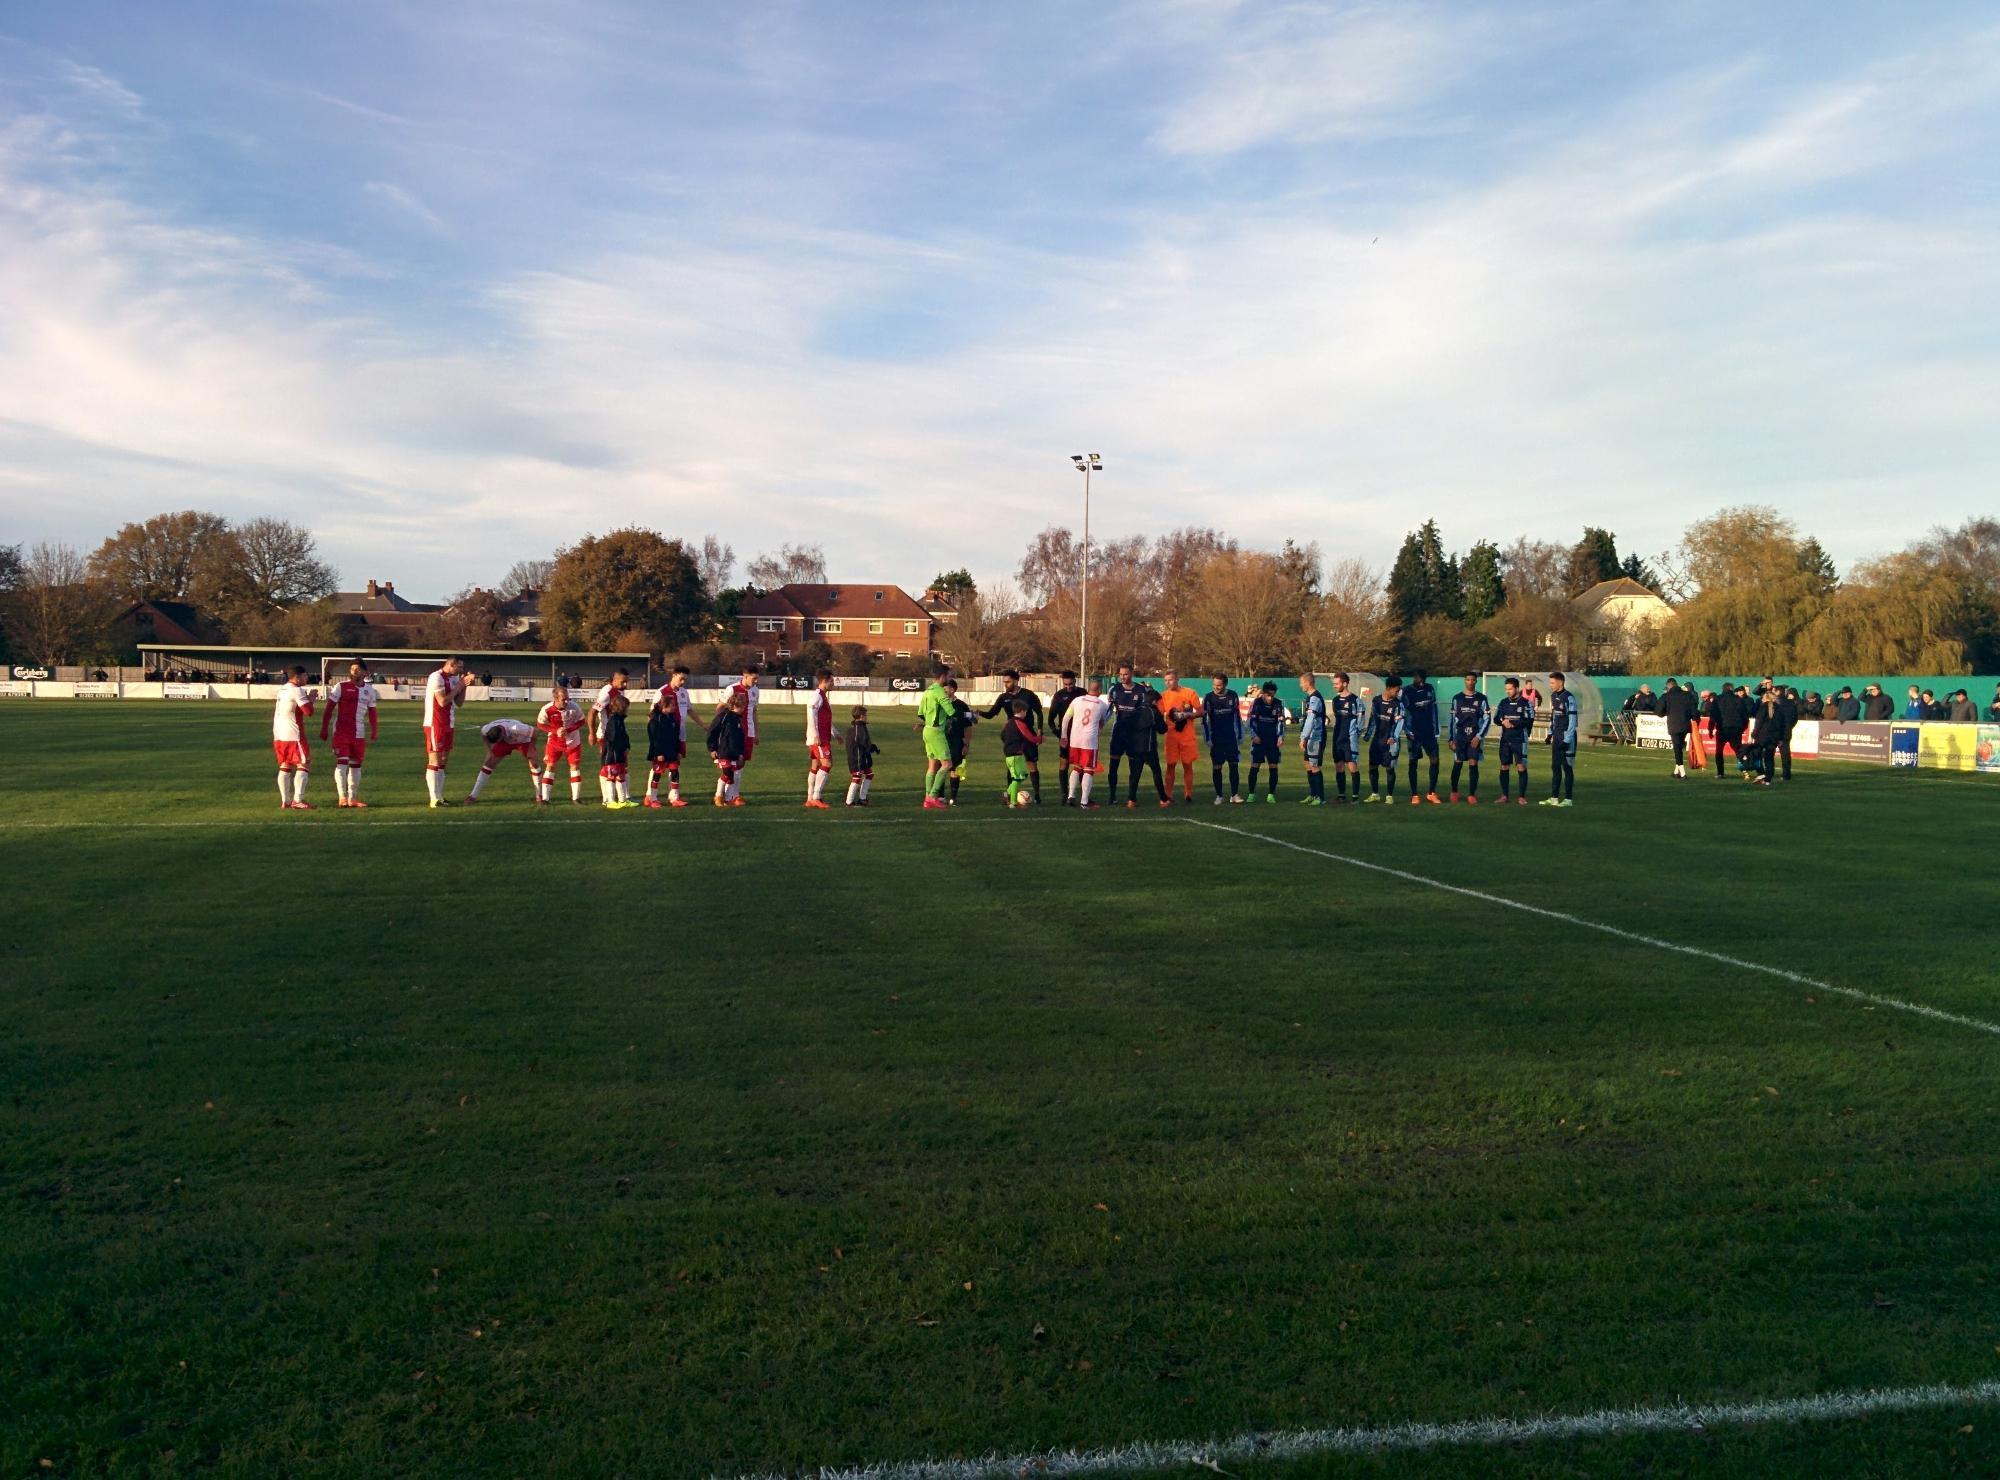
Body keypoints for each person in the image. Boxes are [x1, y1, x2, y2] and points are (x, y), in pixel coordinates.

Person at [320, 660, 378, 808]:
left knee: (356, 766)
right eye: (352, 669)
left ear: (365, 672)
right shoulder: (341, 687)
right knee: (342, 763)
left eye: (357, 669)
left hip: (359, 734)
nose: (354, 672)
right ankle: (342, 797)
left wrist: (374, 730)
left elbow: (372, 713)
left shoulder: (370, 691)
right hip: (341, 732)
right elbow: (328, 709)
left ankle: (353, 798)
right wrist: (324, 728)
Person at [981, 672, 1046, 803]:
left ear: (1016, 681)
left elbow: (1039, 712)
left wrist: (1039, 730)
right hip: (1013, 736)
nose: (1005, 684)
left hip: (1028, 733)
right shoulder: (1003, 697)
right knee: (1012, 766)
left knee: (1031, 763)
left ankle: (1037, 795)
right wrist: (978, 713)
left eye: (1008, 682)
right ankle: (1009, 796)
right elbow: (991, 714)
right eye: (1004, 682)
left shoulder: (1028, 695)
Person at [422, 656, 468, 808]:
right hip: (435, 723)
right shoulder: (436, 677)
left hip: (449, 723)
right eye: (459, 667)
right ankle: (434, 799)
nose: (460, 671)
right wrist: (459, 685)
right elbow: (442, 701)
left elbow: (459, 703)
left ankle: (440, 796)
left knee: (443, 762)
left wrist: (464, 686)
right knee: (434, 760)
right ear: (451, 665)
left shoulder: (454, 679)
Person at [644, 667, 693, 808]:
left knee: (675, 769)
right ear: (674, 675)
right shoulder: (661, 693)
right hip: (660, 747)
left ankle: (674, 797)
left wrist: (703, 725)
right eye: (681, 678)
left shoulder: (683, 694)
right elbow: (652, 721)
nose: (683, 682)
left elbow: (690, 710)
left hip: (676, 741)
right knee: (657, 770)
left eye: (685, 679)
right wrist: (656, 749)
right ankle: (651, 796)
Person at [1059, 678, 1111, 809]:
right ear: (1099, 691)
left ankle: (1071, 796)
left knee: (1076, 767)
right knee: (1088, 770)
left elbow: (1065, 718)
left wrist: (1064, 736)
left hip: (1075, 738)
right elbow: (1102, 722)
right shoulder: (1101, 704)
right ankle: (1084, 801)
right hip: (1089, 741)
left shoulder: (1077, 700)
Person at [271, 665, 317, 810]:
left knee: (285, 765)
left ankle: (285, 801)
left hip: (279, 733)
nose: (306, 678)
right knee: (304, 763)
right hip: (294, 733)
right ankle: (298, 800)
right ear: (296, 677)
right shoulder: (297, 690)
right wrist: (311, 698)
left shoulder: (283, 689)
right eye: (304, 676)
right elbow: (308, 711)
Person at [1104, 664, 1151, 808]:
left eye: (1125, 674)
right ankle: (1112, 796)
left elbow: (1144, 712)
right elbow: (1109, 710)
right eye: (1120, 674)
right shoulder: (1115, 689)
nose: (1122, 677)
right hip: (1119, 732)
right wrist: (1100, 724)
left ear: (1131, 674)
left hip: (1134, 735)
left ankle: (1132, 797)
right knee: (1113, 766)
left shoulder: (1141, 690)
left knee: (1134, 767)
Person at [1155, 669, 1204, 804]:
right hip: (1171, 736)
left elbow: (1201, 712)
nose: (1168, 682)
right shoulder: (1163, 696)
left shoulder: (1190, 693)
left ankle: (1188, 794)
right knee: (1170, 765)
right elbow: (1158, 714)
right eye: (1165, 680)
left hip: (1187, 736)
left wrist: (1187, 715)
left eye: (1170, 679)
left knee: (1187, 764)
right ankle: (1168, 795)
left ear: (1177, 679)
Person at [468, 717, 541, 802]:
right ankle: (472, 796)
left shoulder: (517, 728)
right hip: (505, 741)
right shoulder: (487, 729)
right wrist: (489, 751)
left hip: (522, 740)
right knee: (489, 763)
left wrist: (531, 748)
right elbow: (483, 735)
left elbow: (535, 731)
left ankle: (539, 795)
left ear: (501, 735)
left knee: (534, 763)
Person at [536, 684, 588, 805]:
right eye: (563, 699)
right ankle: (545, 799)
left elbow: (582, 721)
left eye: (567, 698)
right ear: (555, 699)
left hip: (573, 742)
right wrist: (555, 731)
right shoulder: (546, 709)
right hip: (554, 742)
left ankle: (576, 798)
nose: (567, 701)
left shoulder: (574, 707)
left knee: (574, 766)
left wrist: (569, 729)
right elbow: (540, 724)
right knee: (550, 766)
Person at [1125, 674, 1170, 809]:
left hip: (1135, 747)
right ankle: (1163, 799)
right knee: (1156, 773)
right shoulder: (1153, 712)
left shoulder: (1136, 711)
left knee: (1135, 775)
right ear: (1155, 701)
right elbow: (1162, 729)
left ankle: (1131, 800)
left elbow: (1128, 728)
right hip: (1148, 747)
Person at [591, 669, 633, 805]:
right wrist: (592, 733)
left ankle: (624, 798)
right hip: (606, 736)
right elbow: (592, 713)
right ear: (614, 679)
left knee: (621, 767)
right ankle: (607, 799)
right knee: (608, 768)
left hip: (617, 734)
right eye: (623, 682)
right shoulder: (606, 693)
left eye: (626, 682)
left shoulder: (618, 691)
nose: (625, 685)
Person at [1447, 672, 1491, 802]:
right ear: (1464, 681)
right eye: (1468, 680)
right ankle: (1454, 792)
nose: (1470, 682)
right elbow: (1452, 720)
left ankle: (1471, 794)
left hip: (1474, 736)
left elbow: (1487, 718)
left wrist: (1479, 737)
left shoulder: (1482, 698)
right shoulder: (1457, 698)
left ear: (1476, 682)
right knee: (1458, 763)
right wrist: (1451, 738)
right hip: (1460, 735)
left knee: (1473, 763)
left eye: (1473, 680)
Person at [1201, 673, 1243, 804]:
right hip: (1216, 738)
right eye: (1214, 684)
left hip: (1231, 737)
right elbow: (1204, 720)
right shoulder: (1208, 698)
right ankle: (1219, 795)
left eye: (1219, 685)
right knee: (1217, 767)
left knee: (1234, 766)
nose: (1216, 687)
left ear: (1225, 684)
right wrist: (1207, 738)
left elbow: (1238, 716)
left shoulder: (1233, 695)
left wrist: (1240, 735)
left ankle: (1234, 795)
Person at [1402, 668, 1442, 804]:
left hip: (1429, 731)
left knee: (1435, 760)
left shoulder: (1429, 689)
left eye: (1423, 678)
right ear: (1415, 677)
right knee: (1413, 761)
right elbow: (1403, 713)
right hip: (1414, 732)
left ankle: (1431, 792)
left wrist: (1436, 730)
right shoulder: (1407, 691)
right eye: (1419, 678)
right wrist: (1408, 731)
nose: (1422, 681)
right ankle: (1414, 795)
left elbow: (1433, 709)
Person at [803, 668, 841, 810]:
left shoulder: (823, 696)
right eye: (831, 681)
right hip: (819, 738)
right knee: (827, 764)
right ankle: (816, 797)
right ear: (825, 681)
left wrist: (835, 733)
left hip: (822, 736)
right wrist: (816, 735)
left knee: (815, 766)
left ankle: (809, 798)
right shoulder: (817, 696)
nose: (833, 683)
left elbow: (824, 719)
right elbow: (811, 715)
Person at [918, 667, 956, 809]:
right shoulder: (940, 691)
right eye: (948, 676)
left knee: (932, 766)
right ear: (943, 676)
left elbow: (920, 713)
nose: (948, 679)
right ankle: (933, 796)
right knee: (947, 765)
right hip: (937, 732)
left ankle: (927, 798)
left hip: (927, 730)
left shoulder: (927, 691)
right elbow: (951, 712)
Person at [1362, 676, 1405, 803]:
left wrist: (1394, 737)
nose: (1398, 693)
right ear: (1389, 688)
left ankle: (1389, 796)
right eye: (1396, 690)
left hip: (1390, 742)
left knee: (1389, 768)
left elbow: (1399, 723)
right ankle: (1375, 793)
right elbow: (1373, 719)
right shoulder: (1376, 701)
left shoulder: (1398, 704)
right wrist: (1368, 734)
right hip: (1377, 740)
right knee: (1372, 766)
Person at [1540, 671, 1579, 807]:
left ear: (1560, 682)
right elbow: (1554, 716)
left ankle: (1568, 799)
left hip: (1567, 737)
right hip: (1557, 736)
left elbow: (1573, 720)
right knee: (1555, 766)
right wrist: (1550, 733)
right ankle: (1554, 797)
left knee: (1567, 767)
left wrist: (1567, 739)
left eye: (1552, 683)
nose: (1550, 685)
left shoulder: (1569, 698)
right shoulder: (1553, 696)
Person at [1492, 677, 1532, 805]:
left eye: (1510, 689)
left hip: (1520, 739)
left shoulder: (1526, 703)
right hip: (1505, 739)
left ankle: (1521, 796)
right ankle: (1504, 796)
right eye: (1506, 689)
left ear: (1517, 688)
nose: (1508, 691)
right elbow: (1496, 719)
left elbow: (1529, 719)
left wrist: (1513, 723)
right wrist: (1502, 721)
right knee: (1504, 766)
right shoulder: (1503, 702)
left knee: (1521, 766)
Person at [706, 690, 749, 806]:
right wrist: (712, 748)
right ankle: (718, 796)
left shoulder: (738, 719)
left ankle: (728, 799)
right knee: (726, 773)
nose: (743, 709)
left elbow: (739, 739)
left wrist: (740, 754)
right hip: (723, 751)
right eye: (742, 706)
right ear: (734, 706)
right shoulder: (723, 716)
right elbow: (712, 732)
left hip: (734, 753)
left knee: (732, 776)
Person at [1246, 681, 1286, 803]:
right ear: (1263, 693)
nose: (1270, 698)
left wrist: (1280, 737)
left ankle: (1271, 795)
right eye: (1268, 695)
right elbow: (1250, 721)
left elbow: (1281, 722)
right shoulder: (1256, 703)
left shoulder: (1278, 704)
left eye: (1272, 696)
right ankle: (1251, 794)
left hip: (1272, 740)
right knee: (1255, 765)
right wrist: (1254, 735)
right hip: (1259, 739)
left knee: (1273, 766)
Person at [1047, 671, 1084, 799]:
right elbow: (1050, 719)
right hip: (1066, 737)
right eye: (1066, 684)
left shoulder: (1082, 693)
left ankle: (1082, 794)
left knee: (1081, 765)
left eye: (1071, 684)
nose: (1068, 687)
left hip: (1080, 736)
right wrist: (1059, 734)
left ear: (1075, 681)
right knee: (1064, 763)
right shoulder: (1059, 696)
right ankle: (1064, 793)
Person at [1330, 672, 1364, 802]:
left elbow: (1361, 718)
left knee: (1352, 766)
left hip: (1350, 739)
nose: (1335, 686)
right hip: (1337, 738)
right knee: (1339, 766)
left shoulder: (1355, 700)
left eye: (1337, 683)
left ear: (1345, 684)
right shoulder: (1335, 701)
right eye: (1334, 684)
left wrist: (1356, 734)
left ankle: (1355, 797)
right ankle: (1341, 795)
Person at [1000, 699, 1042, 806]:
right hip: (1014, 754)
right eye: (1026, 711)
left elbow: (1002, 735)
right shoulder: (1019, 723)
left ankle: (1007, 794)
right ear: (1022, 711)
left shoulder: (1008, 722)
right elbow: (1029, 737)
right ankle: (1013, 803)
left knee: (1022, 775)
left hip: (1012, 754)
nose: (1026, 713)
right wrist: (1039, 739)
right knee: (1017, 779)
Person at [943, 678, 977, 804]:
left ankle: (953, 797)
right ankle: (939, 796)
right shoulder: (940, 703)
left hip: (957, 741)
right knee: (939, 768)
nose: (943, 690)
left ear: (952, 689)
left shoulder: (962, 706)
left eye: (945, 688)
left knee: (956, 769)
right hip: (942, 740)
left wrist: (966, 744)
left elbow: (968, 726)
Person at [1705, 682, 1747, 783]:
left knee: (1719, 752)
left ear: (1723, 689)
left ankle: (1720, 773)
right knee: (1738, 750)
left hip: (1722, 729)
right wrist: (1742, 729)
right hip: (1735, 729)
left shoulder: (1717, 699)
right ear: (1732, 689)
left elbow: (1713, 716)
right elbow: (1745, 717)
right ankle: (1746, 770)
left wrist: (1710, 730)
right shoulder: (1738, 700)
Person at [1296, 673, 1328, 805]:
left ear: (1308, 683)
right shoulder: (1310, 697)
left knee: (1314, 766)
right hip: (1311, 737)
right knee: (1307, 764)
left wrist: (1303, 737)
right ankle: (1313, 794)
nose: (1300, 685)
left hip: (1316, 737)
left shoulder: (1315, 698)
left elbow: (1310, 719)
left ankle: (1320, 798)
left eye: (1301, 682)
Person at [1657, 677, 1698, 778]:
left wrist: (1666, 712)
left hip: (1673, 724)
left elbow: (1659, 711)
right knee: (1679, 746)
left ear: (1668, 686)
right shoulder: (1687, 695)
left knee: (1677, 747)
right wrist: (1693, 718)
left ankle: (1682, 772)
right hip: (1685, 724)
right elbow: (1694, 710)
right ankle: (1676, 772)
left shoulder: (1666, 696)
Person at [843, 706, 879, 806]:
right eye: (866, 715)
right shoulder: (858, 728)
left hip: (861, 757)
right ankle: (849, 802)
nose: (867, 716)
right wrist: (871, 748)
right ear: (862, 716)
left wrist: (872, 747)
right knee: (857, 777)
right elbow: (860, 744)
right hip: (857, 759)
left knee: (869, 774)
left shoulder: (860, 727)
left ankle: (862, 799)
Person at [1748, 689, 1783, 786]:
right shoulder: (1779, 708)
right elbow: (1781, 724)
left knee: (1756, 756)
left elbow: (1758, 722)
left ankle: (1761, 774)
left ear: (1765, 698)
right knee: (1769, 758)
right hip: (1774, 737)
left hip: (1762, 736)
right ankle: (1768, 779)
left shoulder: (1763, 707)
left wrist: (1753, 734)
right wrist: (1780, 738)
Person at [1773, 685, 1800, 781]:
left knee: (1769, 752)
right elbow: (1795, 718)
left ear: (1777, 692)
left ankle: (1769, 773)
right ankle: (1786, 774)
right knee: (1785, 754)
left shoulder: (1775, 703)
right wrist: (1789, 727)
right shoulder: (1792, 703)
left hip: (1775, 731)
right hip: (1787, 731)